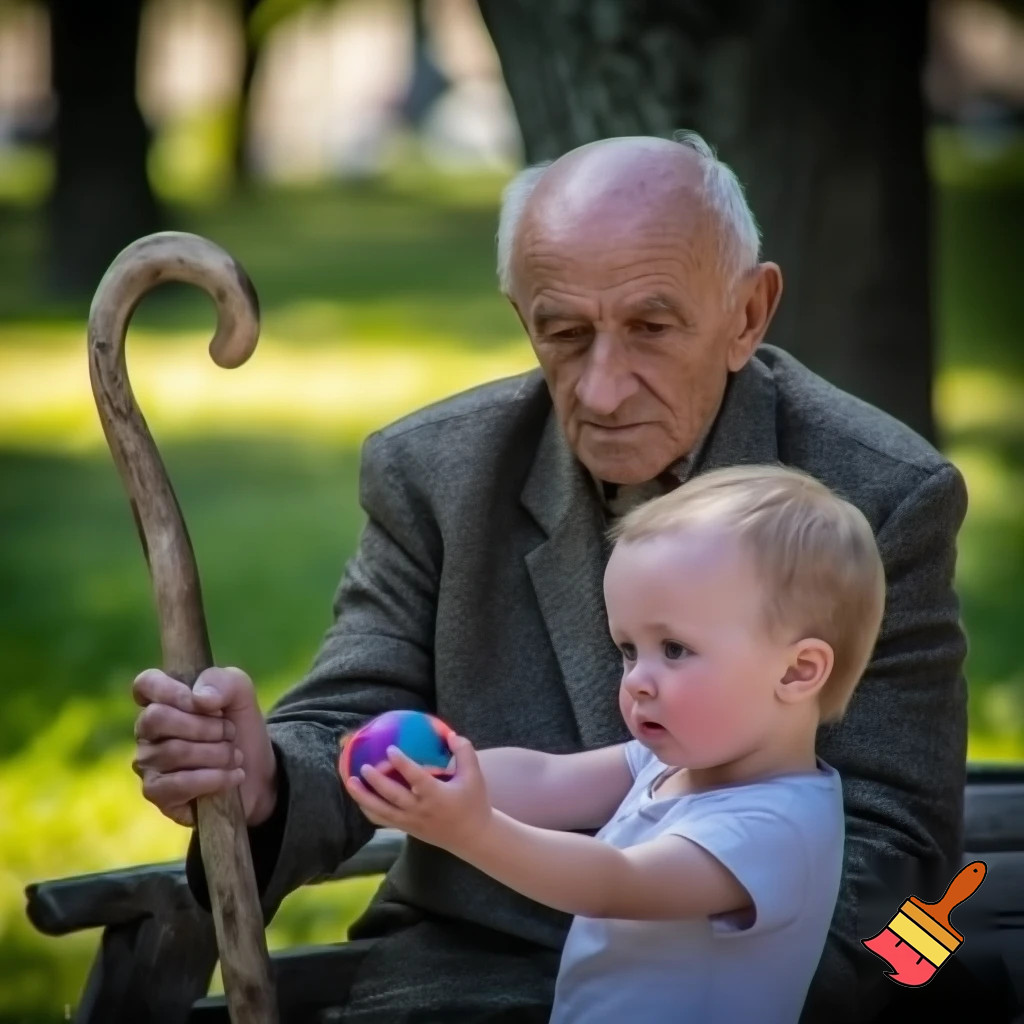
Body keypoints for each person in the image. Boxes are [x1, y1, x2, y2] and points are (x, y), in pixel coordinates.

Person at [130, 132, 969, 1023]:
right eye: (564, 333)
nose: (603, 391)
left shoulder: (881, 494)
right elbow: (356, 720)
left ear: (748, 314)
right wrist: (266, 777)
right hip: (473, 964)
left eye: (651, 328)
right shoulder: (437, 471)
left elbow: (898, 846)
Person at [344, 465, 885, 1024]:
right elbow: (545, 781)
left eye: (674, 649)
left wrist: (472, 830)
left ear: (797, 672)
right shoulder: (667, 763)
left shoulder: (776, 829)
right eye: (629, 649)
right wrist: (434, 768)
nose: (636, 680)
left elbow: (612, 884)